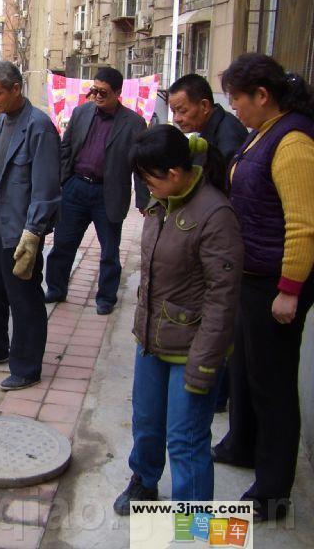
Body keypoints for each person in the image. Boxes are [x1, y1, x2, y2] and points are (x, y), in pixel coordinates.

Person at [112, 126, 242, 515]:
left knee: (185, 438)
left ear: (173, 173)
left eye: (149, 179)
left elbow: (223, 299)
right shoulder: (161, 203)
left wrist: (205, 364)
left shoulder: (215, 215)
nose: (145, 187)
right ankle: (144, 479)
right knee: (147, 422)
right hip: (152, 339)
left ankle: (195, 519)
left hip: (193, 349)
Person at [212, 53, 314, 522]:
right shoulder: (262, 132)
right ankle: (241, 443)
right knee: (246, 370)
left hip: (276, 282)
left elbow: (303, 225)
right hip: (250, 277)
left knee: (273, 385)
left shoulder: (292, 141)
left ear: (262, 96)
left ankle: (273, 492)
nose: (233, 108)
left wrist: (290, 288)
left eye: (237, 99)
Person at [0, 61, 61, 391]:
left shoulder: (39, 127)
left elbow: (46, 188)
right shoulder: (3, 120)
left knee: (24, 298)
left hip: (20, 230)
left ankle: (27, 366)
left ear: (16, 88)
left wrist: (34, 233)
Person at [168, 73, 249, 413]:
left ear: (204, 105)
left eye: (182, 110)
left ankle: (217, 394)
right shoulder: (209, 132)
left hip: (225, 244)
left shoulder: (227, 135)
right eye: (173, 111)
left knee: (219, 322)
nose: (178, 119)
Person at [45, 67, 148, 315]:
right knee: (62, 244)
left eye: (103, 92)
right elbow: (66, 148)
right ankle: (56, 288)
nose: (97, 96)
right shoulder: (81, 113)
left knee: (109, 251)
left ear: (118, 93)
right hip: (76, 188)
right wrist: (62, 181)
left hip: (109, 194)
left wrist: (144, 201)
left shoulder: (134, 123)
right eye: (94, 90)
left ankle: (106, 297)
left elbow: (141, 164)